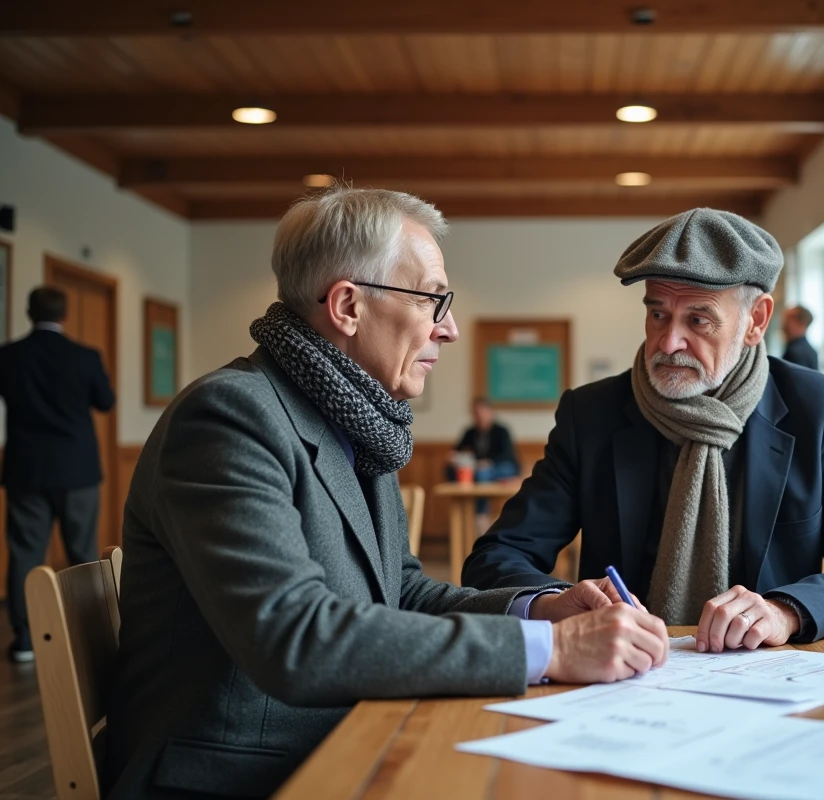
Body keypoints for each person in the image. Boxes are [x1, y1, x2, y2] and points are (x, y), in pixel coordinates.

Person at [106, 188, 669, 798]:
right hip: (237, 775)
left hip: (339, 737)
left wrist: (537, 609)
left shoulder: (353, 418)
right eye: (434, 299)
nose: (448, 328)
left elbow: (401, 591)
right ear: (348, 306)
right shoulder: (228, 417)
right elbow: (293, 637)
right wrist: (550, 649)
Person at [463, 208, 824, 654]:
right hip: (620, 676)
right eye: (657, 314)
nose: (669, 342)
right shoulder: (592, 414)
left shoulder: (814, 408)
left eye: (698, 320)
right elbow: (494, 559)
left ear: (756, 320)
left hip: (773, 680)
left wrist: (784, 612)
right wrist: (553, 603)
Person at [0, 287, 115, 664]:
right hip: (77, 470)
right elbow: (105, 401)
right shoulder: (84, 357)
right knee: (82, 554)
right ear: (64, 315)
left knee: (25, 554)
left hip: (26, 470)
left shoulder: (9, 356)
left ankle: (26, 640)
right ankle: (89, 636)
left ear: (28, 312)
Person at [446, 397, 521, 482]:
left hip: (501, 465)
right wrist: (454, 455)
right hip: (478, 466)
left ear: (491, 413)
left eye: (483, 412)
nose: (480, 416)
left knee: (482, 474)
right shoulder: (470, 432)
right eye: (477, 413)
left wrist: (489, 462)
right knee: (452, 471)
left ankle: (482, 495)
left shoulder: (501, 431)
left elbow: (507, 454)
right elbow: (458, 449)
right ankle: (461, 494)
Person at [782, 305, 819, 370]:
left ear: (801, 324)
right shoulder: (810, 350)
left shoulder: (796, 353)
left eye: (788, 320)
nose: (784, 326)